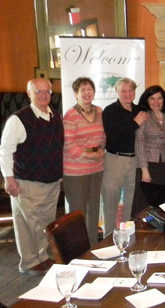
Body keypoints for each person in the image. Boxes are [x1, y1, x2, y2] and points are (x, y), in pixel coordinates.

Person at [0, 78, 63, 275]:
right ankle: (28, 262)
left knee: (45, 223)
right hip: (26, 182)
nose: (43, 95)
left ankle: (42, 257)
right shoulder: (18, 119)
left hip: (51, 183)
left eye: (46, 92)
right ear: (29, 94)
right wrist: (9, 179)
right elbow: (5, 150)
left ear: (51, 94)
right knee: (26, 224)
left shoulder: (55, 116)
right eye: (38, 92)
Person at [62, 77, 106, 246]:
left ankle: (93, 246)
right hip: (76, 170)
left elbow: (103, 136)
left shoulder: (100, 111)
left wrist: (101, 149)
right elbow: (68, 144)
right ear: (75, 94)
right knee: (78, 212)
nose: (87, 93)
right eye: (83, 90)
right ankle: (78, 248)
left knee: (94, 208)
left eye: (90, 89)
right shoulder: (71, 115)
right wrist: (88, 155)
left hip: (96, 168)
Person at [101, 78, 147, 236]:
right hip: (115, 159)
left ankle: (128, 236)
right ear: (117, 92)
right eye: (123, 91)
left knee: (131, 200)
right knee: (111, 199)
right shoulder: (109, 111)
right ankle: (108, 236)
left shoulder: (139, 110)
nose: (128, 94)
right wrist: (134, 124)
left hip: (135, 160)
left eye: (131, 91)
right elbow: (112, 136)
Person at [132, 85, 165, 216]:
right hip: (149, 165)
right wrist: (145, 170)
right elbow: (139, 143)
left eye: (159, 98)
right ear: (147, 101)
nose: (156, 102)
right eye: (152, 99)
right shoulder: (143, 116)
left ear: (164, 99)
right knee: (146, 202)